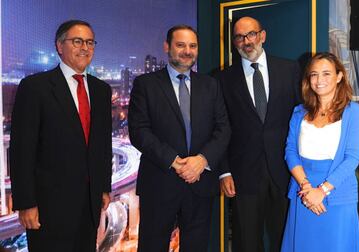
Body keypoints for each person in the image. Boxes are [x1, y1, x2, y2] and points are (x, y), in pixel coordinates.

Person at [10, 20, 113, 252]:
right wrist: (26, 203)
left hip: (89, 203)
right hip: (49, 206)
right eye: (77, 41)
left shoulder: (101, 90)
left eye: (89, 42)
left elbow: (103, 146)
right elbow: (22, 150)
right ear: (59, 46)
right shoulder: (35, 87)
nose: (84, 48)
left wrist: (104, 187)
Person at [128, 25, 230, 252]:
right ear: (167, 47)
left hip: (200, 182)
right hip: (159, 182)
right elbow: (139, 131)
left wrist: (201, 161)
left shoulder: (210, 85)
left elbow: (223, 129)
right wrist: (175, 162)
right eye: (180, 45)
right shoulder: (146, 84)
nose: (187, 51)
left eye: (192, 46)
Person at [216, 16, 301, 251]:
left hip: (285, 171)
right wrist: (223, 172)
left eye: (251, 34)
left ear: (262, 36)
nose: (246, 41)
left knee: (284, 238)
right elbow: (220, 130)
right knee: (247, 241)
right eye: (239, 37)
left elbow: (300, 119)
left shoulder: (289, 69)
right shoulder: (222, 80)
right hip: (243, 176)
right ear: (234, 42)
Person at [281, 52, 359, 251]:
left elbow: (352, 159)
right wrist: (307, 188)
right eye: (314, 74)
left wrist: (322, 191)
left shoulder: (353, 112)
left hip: (337, 193)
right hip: (303, 191)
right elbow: (290, 151)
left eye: (326, 74)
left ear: (339, 76)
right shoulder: (299, 112)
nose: (319, 80)